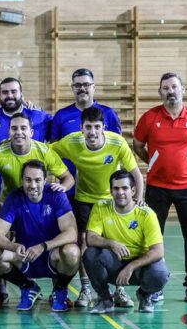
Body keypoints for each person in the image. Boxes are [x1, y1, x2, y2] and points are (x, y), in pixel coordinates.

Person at [52, 106, 143, 308]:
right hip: (84, 199)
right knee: (85, 243)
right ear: (81, 128)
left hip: (112, 200)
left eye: (96, 127)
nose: (92, 132)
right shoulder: (71, 142)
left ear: (104, 127)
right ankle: (85, 289)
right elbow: (46, 151)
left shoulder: (117, 143)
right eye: (88, 127)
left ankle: (119, 289)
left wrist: (139, 200)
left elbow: (135, 173)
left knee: (117, 242)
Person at [133, 72, 187, 303]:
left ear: (182, 89)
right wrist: (155, 161)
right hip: (157, 187)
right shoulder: (149, 118)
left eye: (174, 87)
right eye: (165, 88)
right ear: (160, 92)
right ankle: (155, 286)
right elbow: (138, 145)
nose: (170, 91)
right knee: (153, 238)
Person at [0, 160, 80, 311]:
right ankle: (27, 286)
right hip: (25, 257)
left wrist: (43, 246)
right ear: (22, 180)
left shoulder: (56, 195)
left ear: (45, 180)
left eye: (37, 180)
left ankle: (60, 290)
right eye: (28, 180)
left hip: (52, 256)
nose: (33, 185)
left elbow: (71, 233)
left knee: (73, 252)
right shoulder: (14, 197)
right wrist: (14, 246)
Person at [83, 170, 169, 313]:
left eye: (125, 188)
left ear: (133, 190)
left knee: (160, 273)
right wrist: (111, 243)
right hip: (114, 263)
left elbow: (158, 251)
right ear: (110, 191)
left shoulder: (146, 214)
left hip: (140, 267)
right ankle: (105, 299)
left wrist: (131, 267)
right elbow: (90, 238)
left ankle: (145, 295)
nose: (120, 192)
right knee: (90, 254)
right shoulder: (101, 207)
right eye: (116, 188)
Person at [0, 113, 74, 200]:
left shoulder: (45, 152)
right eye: (14, 128)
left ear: (31, 133)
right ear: (9, 132)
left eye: (23, 128)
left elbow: (68, 178)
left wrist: (63, 187)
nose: (18, 132)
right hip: (10, 205)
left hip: (38, 203)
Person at [0, 77, 52, 151]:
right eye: (5, 92)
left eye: (14, 92)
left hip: (33, 163)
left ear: (21, 96)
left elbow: (60, 131)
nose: (10, 96)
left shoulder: (39, 116)